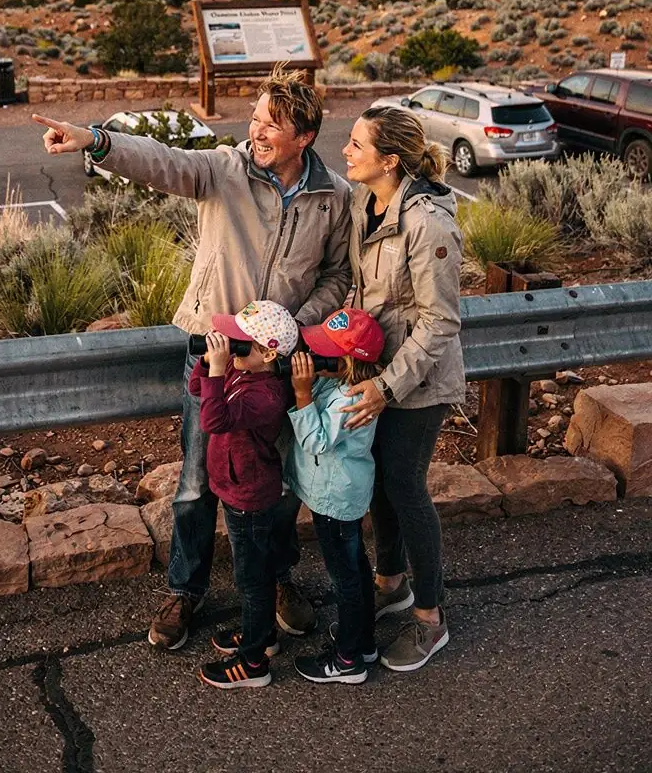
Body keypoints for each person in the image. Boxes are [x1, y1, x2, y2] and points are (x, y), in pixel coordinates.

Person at [33, 67, 352, 651]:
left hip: (275, 362)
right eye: (254, 117)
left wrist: (292, 326)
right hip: (211, 355)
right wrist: (97, 140)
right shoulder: (224, 170)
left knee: (276, 480)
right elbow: (162, 160)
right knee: (197, 481)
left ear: (303, 137)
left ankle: (279, 580)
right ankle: (186, 590)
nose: (256, 130)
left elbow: (336, 275)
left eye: (271, 123)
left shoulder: (333, 196)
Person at [341, 105, 464, 673]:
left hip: (418, 382)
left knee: (405, 486)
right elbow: (370, 295)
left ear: (389, 160)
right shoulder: (368, 206)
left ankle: (430, 620)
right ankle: (390, 583)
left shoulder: (428, 224)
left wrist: (386, 388)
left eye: (357, 144)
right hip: (379, 375)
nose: (346, 151)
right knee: (380, 487)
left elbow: (440, 323)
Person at [191, 301, 299, 689]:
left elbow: (213, 420)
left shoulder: (267, 394)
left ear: (268, 354)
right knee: (254, 574)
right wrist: (209, 364)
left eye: (241, 343)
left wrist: (219, 370)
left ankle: (254, 664)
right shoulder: (242, 372)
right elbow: (196, 389)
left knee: (251, 579)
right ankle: (263, 636)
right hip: (236, 488)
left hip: (249, 497)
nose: (231, 347)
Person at [285, 307, 386, 686]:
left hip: (334, 500)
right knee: (356, 567)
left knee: (345, 577)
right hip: (344, 494)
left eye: (324, 350)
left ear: (345, 362)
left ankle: (346, 660)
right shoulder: (344, 384)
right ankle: (362, 641)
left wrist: (301, 393)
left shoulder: (349, 400)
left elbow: (316, 440)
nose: (314, 355)